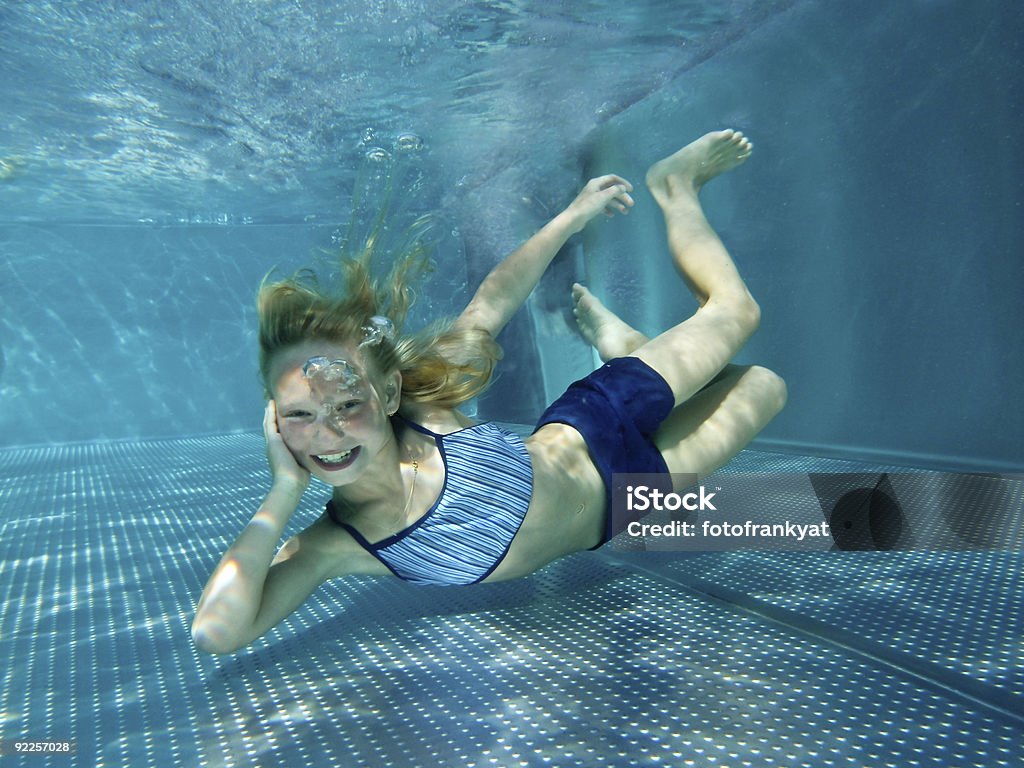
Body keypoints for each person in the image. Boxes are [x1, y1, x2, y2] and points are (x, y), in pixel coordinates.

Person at [192, 129, 787, 654]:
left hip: (598, 418)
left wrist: (570, 217)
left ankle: (674, 185)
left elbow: (491, 303)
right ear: (275, 421)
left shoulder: (425, 409)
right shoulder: (337, 544)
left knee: (738, 311)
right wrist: (284, 490)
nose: (330, 433)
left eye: (348, 405)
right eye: (302, 415)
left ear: (389, 394)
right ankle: (624, 342)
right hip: (628, 504)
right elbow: (218, 632)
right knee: (763, 384)